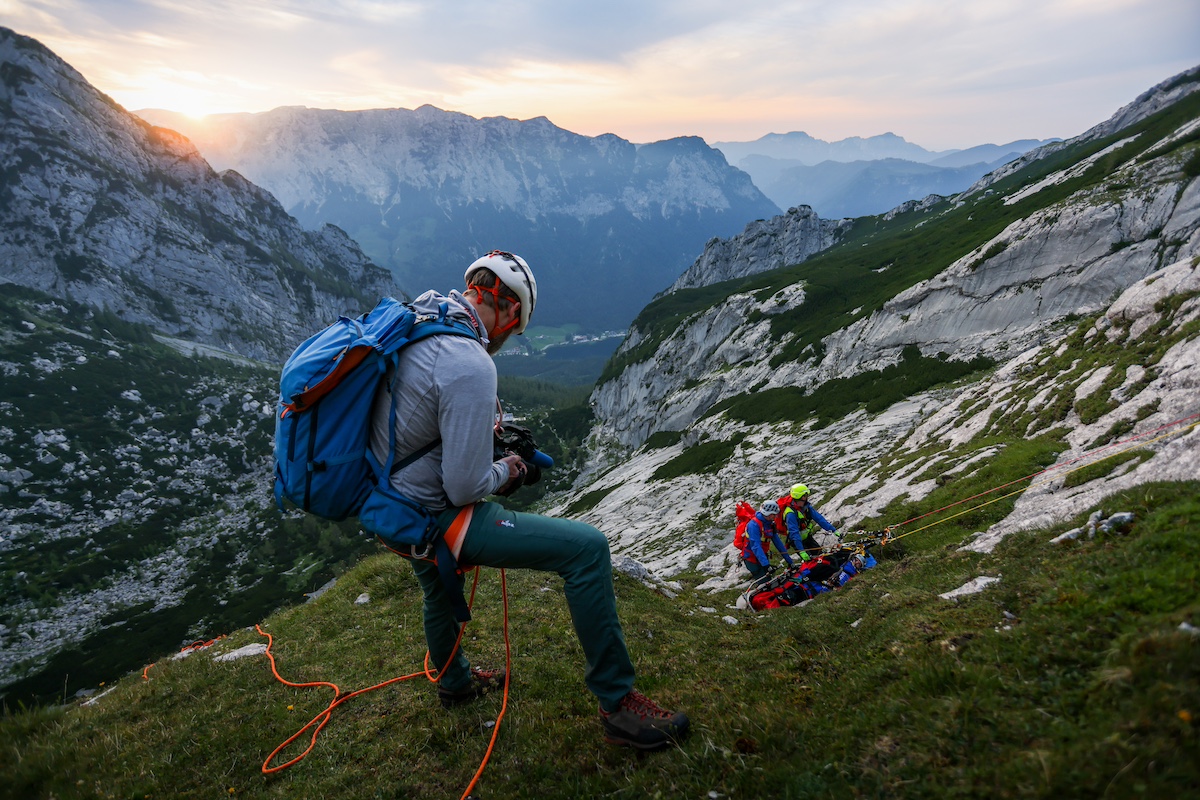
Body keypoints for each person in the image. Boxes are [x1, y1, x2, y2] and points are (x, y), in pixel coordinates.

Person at [367, 250, 688, 751]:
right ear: (513, 313)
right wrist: (508, 468)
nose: (506, 342)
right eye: (515, 331)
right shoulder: (470, 361)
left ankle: (454, 684)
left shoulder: (418, 323)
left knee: (437, 591)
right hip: (435, 512)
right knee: (586, 549)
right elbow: (465, 487)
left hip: (390, 506)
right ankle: (619, 707)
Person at [780, 484, 841, 561]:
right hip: (797, 542)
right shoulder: (790, 514)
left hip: (808, 538)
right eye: (806, 494)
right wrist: (801, 551)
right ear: (802, 496)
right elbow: (794, 533)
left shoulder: (806, 507)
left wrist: (833, 530)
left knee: (821, 556)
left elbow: (819, 519)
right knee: (810, 561)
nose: (808, 496)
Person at [740, 500, 795, 580]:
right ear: (768, 514)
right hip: (752, 559)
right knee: (766, 582)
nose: (775, 516)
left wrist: (790, 561)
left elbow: (778, 543)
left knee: (770, 580)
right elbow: (756, 546)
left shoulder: (770, 524)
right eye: (774, 514)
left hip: (762, 556)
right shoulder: (754, 525)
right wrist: (766, 565)